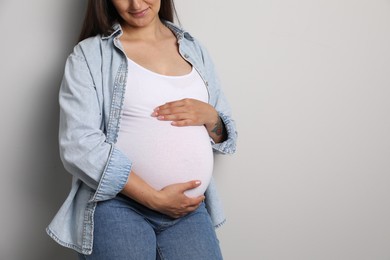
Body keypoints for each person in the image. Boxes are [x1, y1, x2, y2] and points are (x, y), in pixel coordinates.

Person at [46, 0, 237, 259]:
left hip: (188, 211)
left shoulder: (193, 49)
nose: (136, 3)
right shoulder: (90, 55)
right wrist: (153, 198)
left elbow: (227, 137)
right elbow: (79, 144)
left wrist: (211, 117)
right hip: (118, 207)